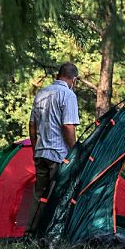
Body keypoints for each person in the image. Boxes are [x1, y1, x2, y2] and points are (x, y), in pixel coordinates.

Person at [29, 63, 80, 206]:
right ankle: (51, 228)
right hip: (58, 155)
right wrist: (75, 153)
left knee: (39, 196)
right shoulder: (68, 95)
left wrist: (35, 149)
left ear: (58, 76)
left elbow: (32, 125)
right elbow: (68, 126)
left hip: (40, 153)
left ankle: (31, 228)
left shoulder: (41, 93)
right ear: (74, 80)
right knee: (57, 198)